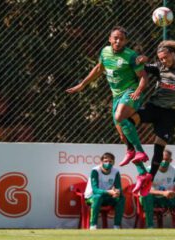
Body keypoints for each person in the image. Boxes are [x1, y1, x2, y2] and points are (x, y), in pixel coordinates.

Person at [66, 26, 152, 196]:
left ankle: (139, 151)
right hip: (116, 96)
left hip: (131, 92)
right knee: (122, 134)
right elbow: (99, 69)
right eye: (115, 38)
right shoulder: (105, 52)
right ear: (109, 39)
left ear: (126, 41)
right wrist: (83, 84)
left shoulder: (130, 56)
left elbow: (143, 76)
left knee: (120, 116)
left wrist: (138, 92)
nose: (118, 41)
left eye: (121, 39)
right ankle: (142, 172)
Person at [118, 40, 175, 183]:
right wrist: (143, 59)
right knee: (127, 121)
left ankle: (150, 177)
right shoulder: (159, 66)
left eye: (165, 57)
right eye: (160, 58)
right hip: (154, 107)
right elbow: (140, 68)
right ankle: (133, 150)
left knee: (159, 146)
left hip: (171, 113)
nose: (163, 61)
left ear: (173, 54)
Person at [139, 149, 175, 228]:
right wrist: (163, 193)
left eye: (166, 159)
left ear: (170, 160)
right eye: (162, 159)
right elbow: (144, 190)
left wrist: (174, 193)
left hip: (167, 198)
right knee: (146, 196)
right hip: (153, 198)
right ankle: (150, 226)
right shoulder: (149, 170)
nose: (164, 161)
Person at [84, 152, 125, 230]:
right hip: (91, 197)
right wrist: (109, 192)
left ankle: (117, 226)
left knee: (121, 198)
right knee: (98, 197)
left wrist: (117, 192)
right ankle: (93, 226)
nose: (108, 163)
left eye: (110, 161)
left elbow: (118, 187)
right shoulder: (95, 171)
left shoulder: (115, 171)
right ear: (101, 162)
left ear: (113, 162)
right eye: (105, 161)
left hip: (107, 196)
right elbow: (95, 190)